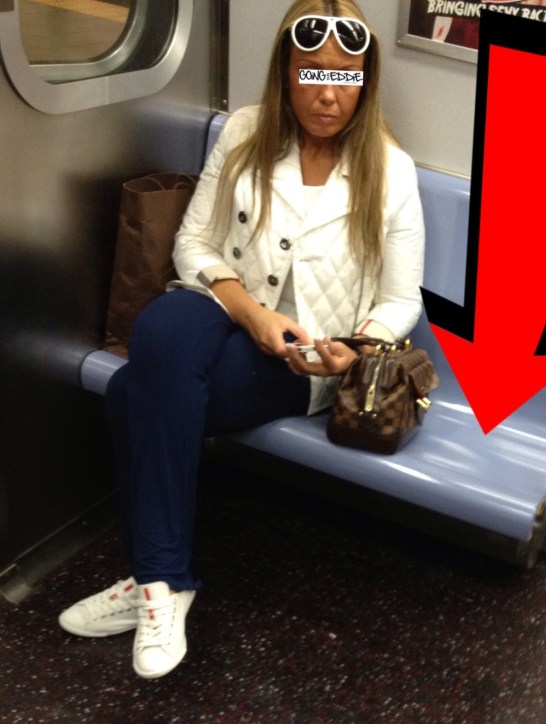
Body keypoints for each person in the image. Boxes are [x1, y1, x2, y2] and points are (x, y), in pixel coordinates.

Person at [58, 0, 425, 679]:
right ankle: (166, 582)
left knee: (132, 392)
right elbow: (193, 244)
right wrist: (251, 311)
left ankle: (149, 580)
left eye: (344, 78)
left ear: (364, 83)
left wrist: (355, 347)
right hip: (222, 313)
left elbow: (402, 300)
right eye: (311, 73)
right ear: (285, 73)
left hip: (304, 358)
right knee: (161, 325)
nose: (326, 95)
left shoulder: (389, 169)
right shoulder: (246, 132)